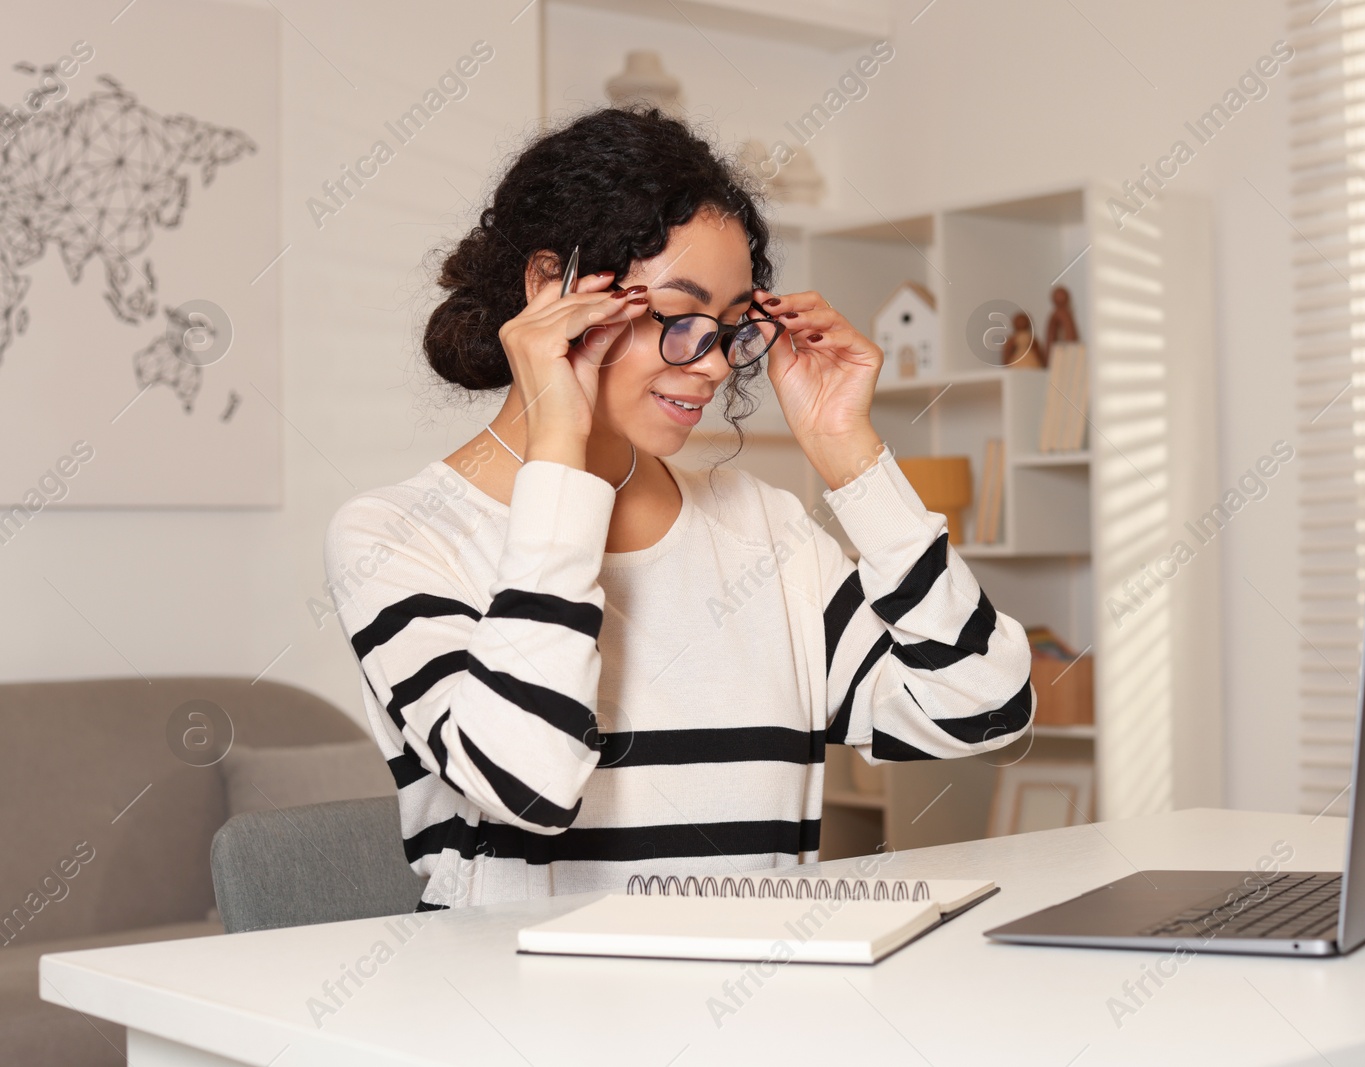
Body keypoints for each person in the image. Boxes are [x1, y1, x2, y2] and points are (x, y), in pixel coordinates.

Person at [323, 106, 1035, 909]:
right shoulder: (396, 536)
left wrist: (851, 455)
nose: (708, 365)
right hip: (522, 1022)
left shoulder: (762, 527)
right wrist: (560, 443)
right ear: (547, 288)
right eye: (678, 316)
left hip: (756, 1014)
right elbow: (526, 785)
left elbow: (984, 706)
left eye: (731, 327)